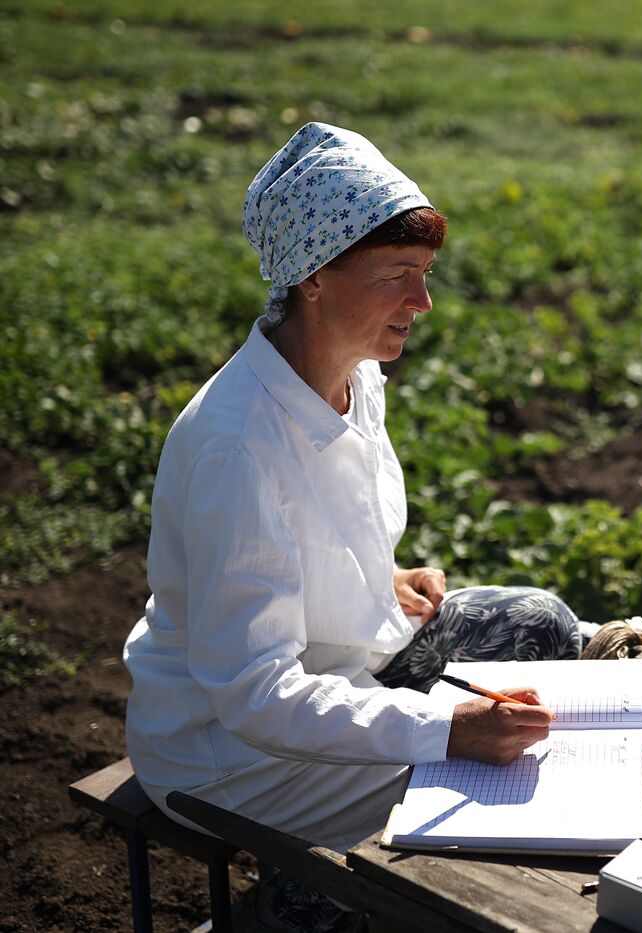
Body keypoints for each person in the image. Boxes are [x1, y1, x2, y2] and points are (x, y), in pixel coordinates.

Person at [124, 123, 581, 931]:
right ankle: (286, 910)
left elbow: (318, 532)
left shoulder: (355, 374)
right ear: (313, 279)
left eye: (426, 273)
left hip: (333, 674)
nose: (423, 301)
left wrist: (378, 579)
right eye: (398, 276)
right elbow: (254, 692)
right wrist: (444, 727)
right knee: (461, 785)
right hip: (234, 752)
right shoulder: (237, 444)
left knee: (541, 626)